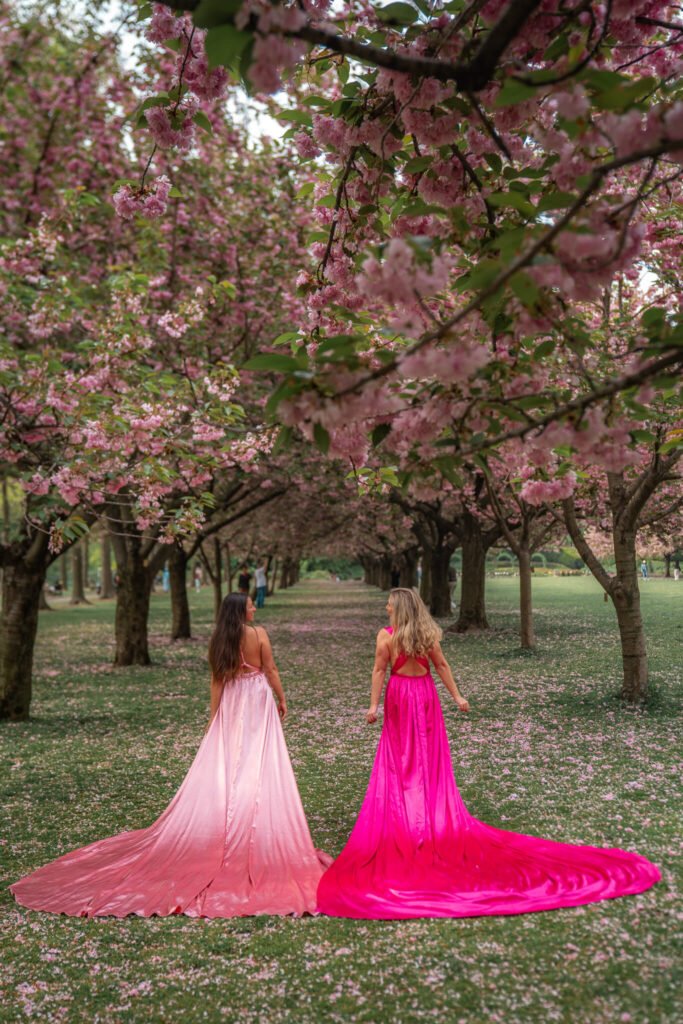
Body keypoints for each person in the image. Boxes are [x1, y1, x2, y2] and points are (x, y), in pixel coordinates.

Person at [316, 587, 660, 919]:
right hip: (423, 697)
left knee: (404, 760)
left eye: (391, 605)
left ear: (400, 608)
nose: (387, 608)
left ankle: (411, 818)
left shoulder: (386, 637)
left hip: (401, 696)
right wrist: (456, 698)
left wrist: (375, 704)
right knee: (423, 759)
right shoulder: (425, 635)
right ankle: (419, 818)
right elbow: (442, 668)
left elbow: (382, 671)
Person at [10, 594, 329, 917]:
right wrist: (282, 696)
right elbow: (270, 667)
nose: (254, 607)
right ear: (241, 610)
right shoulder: (259, 634)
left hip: (233, 700)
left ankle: (235, 810)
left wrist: (214, 716)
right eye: (250, 604)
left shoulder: (221, 639)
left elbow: (217, 680)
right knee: (255, 757)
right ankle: (250, 815)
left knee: (232, 758)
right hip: (257, 697)